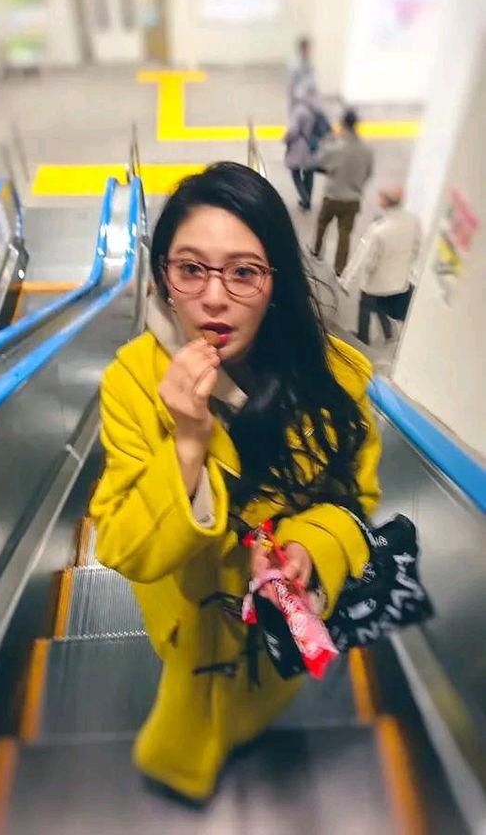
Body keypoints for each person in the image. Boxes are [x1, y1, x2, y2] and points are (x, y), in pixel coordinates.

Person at [90, 162, 381, 802]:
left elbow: (357, 503)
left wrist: (312, 547)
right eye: (191, 269)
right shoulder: (132, 382)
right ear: (163, 276)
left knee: (264, 707)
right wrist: (188, 441)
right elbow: (123, 547)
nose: (214, 298)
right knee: (198, 718)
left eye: (244, 272)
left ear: (276, 281)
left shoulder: (338, 377)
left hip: (284, 622)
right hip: (189, 628)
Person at [339, 186, 421, 346]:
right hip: (399, 279)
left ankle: (363, 336)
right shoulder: (413, 221)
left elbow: (366, 259)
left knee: (366, 304)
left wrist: (347, 281)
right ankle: (388, 332)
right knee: (381, 304)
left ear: (385, 202)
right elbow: (416, 247)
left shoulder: (379, 230)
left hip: (377, 280)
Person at [311, 109, 373, 275]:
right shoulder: (366, 149)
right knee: (345, 234)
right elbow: (369, 172)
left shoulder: (335, 147)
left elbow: (320, 160)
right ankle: (339, 268)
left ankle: (317, 249)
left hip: (333, 195)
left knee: (322, 223)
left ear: (342, 124)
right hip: (353, 198)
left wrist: (328, 139)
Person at [284, 79, 327, 210]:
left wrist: (286, 139)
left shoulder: (299, 110)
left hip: (300, 145)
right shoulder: (316, 108)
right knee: (309, 172)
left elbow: (293, 131)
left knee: (295, 172)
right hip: (314, 144)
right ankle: (307, 199)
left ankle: (305, 199)